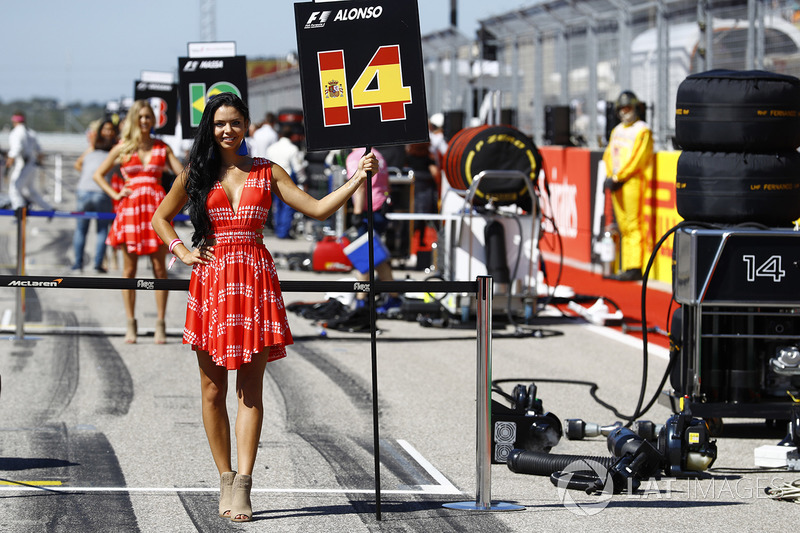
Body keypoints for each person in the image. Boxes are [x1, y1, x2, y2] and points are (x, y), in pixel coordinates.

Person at [151, 92, 377, 522]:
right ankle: (223, 475)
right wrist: (180, 251)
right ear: (210, 127)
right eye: (220, 123)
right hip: (212, 282)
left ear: (247, 125)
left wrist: (357, 179)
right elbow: (161, 217)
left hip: (254, 280)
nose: (227, 130)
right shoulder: (195, 173)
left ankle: (244, 484)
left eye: (235, 122)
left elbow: (316, 208)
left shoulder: (267, 171)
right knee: (213, 390)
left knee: (250, 391)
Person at [92, 100, 184, 343]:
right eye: (141, 117)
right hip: (131, 209)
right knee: (129, 271)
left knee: (159, 269)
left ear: (154, 120)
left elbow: (184, 174)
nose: (145, 121)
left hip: (156, 210)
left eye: (149, 117)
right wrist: (115, 193)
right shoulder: (123, 147)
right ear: (134, 119)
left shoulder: (162, 147)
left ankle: (160, 323)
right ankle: (130, 323)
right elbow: (98, 174)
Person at [602, 90, 653, 281]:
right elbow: (609, 154)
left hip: (631, 182)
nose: (625, 111)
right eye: (621, 108)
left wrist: (620, 177)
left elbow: (638, 158)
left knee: (633, 224)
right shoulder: (617, 130)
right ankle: (626, 265)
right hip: (616, 182)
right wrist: (611, 176)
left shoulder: (642, 130)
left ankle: (634, 266)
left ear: (635, 108)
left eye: (628, 107)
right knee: (623, 226)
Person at [346, 147, 401, 313]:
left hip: (367, 210)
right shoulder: (378, 155)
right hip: (381, 207)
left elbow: (360, 185)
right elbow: (386, 182)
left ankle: (361, 301)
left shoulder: (355, 156)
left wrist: (356, 212)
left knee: (365, 258)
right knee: (376, 257)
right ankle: (393, 298)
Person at [72, 119, 119, 272]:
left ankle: (78, 264)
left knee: (81, 229)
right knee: (101, 230)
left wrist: (87, 174)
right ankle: (96, 265)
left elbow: (78, 164)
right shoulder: (116, 149)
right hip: (101, 191)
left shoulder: (92, 147)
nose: (108, 132)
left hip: (84, 190)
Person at [265, 125, 307, 238]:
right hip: (287, 178)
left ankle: (278, 229)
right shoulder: (293, 149)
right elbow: (298, 167)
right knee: (288, 205)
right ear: (292, 136)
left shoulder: (271, 148)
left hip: (271, 177)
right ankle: (283, 232)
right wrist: (302, 179)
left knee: (276, 205)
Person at [6, 111, 52, 211]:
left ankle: (20, 210)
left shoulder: (16, 132)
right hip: (32, 165)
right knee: (29, 190)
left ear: (14, 121)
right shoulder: (31, 132)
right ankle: (49, 209)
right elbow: (40, 151)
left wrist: (8, 163)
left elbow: (16, 148)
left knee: (14, 190)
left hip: (23, 165)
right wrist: (40, 162)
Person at [404, 142, 440, 268]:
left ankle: (412, 254)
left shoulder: (408, 157)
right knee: (424, 226)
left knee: (413, 227)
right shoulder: (428, 158)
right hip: (426, 194)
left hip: (411, 195)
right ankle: (421, 255)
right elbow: (435, 173)